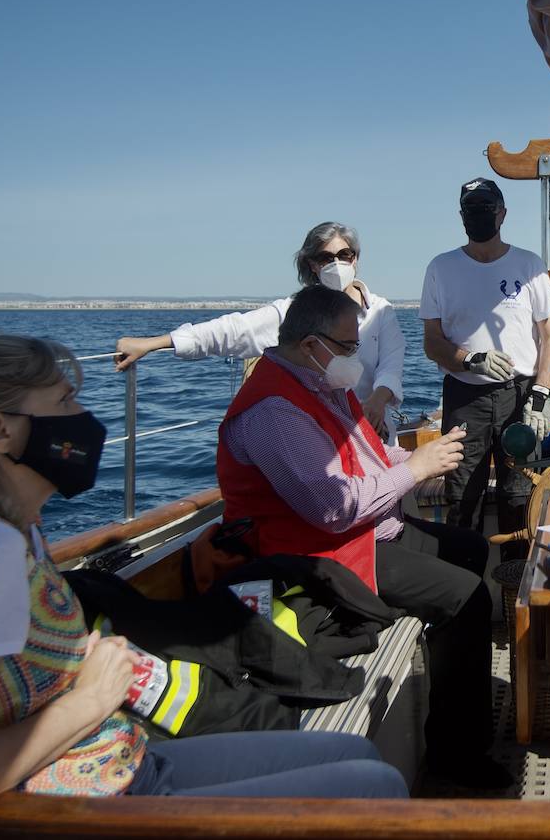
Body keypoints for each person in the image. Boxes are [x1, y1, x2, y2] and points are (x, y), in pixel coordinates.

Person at [0, 336, 406, 836]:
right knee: (374, 788)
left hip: (121, 762)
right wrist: (93, 695)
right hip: (90, 804)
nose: (83, 417)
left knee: (350, 751)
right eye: (63, 401)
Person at [217, 285, 512, 789]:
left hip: (367, 534)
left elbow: (372, 457)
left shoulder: (321, 387)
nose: (356, 357)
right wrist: (417, 469)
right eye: (350, 346)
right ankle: (454, 761)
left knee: (475, 551)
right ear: (312, 345)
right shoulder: (273, 410)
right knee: (466, 599)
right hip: (318, 558)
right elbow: (332, 508)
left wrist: (432, 456)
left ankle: (466, 710)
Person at [114, 221, 406, 442]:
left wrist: (376, 403)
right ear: (312, 265)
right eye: (326, 258)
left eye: (344, 254)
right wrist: (155, 343)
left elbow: (391, 366)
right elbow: (233, 331)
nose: (337, 264)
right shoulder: (293, 312)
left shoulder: (381, 310)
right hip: (315, 434)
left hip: (371, 429)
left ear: (356, 258)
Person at [419, 178, 550, 535]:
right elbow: (432, 342)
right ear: (461, 216)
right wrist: (469, 359)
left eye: (486, 207)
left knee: (521, 495)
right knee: (463, 497)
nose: (479, 214)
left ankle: (516, 584)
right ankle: (461, 587)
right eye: (472, 209)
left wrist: (541, 394)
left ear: (502, 213)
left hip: (521, 396)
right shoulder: (441, 268)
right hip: (465, 397)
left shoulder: (530, 266)